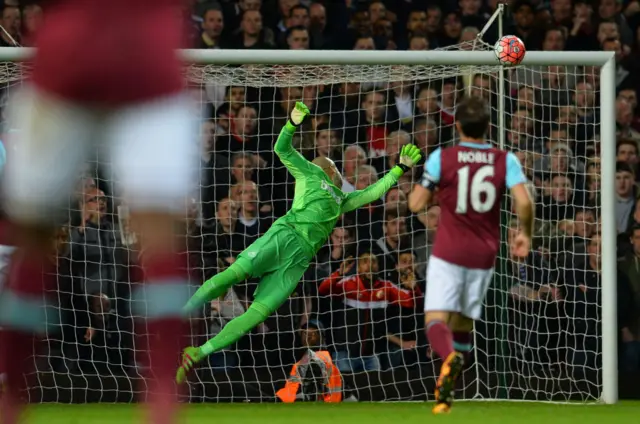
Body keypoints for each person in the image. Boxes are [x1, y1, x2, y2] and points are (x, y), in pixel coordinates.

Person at [0, 2, 194, 424]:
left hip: (66, 52)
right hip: (149, 57)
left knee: (32, 238)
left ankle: (11, 398)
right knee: (160, 235)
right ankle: (162, 400)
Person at [175, 102, 423, 383]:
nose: (336, 167)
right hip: (284, 236)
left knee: (257, 314)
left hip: (299, 261)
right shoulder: (311, 172)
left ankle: (198, 351)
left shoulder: (342, 200)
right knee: (231, 275)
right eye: (333, 164)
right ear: (328, 167)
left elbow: (373, 193)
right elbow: (282, 149)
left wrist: (400, 168)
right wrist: (292, 124)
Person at [408, 96, 533, 414]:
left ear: (458, 125)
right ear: (487, 127)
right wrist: (524, 234)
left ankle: (448, 359)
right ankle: (447, 390)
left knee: (435, 319)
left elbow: (415, 204)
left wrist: (430, 188)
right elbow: (524, 202)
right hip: (484, 254)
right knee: (463, 324)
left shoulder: (442, 157)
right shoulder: (505, 159)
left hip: (449, 251)